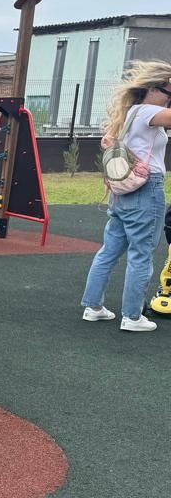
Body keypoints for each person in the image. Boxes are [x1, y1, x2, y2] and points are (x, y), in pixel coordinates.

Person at [81, 61, 171, 332]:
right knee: (141, 253)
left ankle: (93, 306)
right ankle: (132, 317)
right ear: (153, 89)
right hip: (146, 188)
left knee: (109, 250)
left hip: (122, 190)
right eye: (169, 91)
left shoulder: (130, 112)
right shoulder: (149, 111)